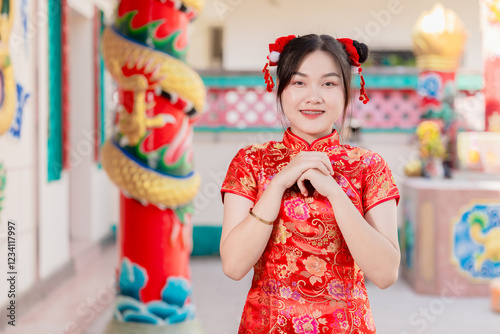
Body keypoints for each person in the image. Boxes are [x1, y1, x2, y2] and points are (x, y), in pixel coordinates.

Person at [220, 34, 400, 333]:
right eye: (299, 82)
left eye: (328, 83)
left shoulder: (369, 166)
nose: (313, 96)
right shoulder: (251, 161)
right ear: (281, 90)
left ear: (346, 93)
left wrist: (334, 192)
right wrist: (277, 185)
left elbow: (385, 274)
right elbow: (234, 266)